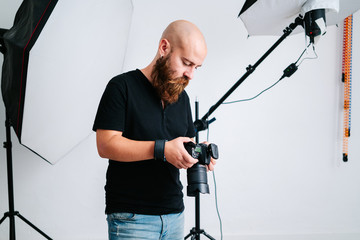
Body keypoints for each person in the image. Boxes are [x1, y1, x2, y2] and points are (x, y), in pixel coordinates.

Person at [92, 19, 215, 240]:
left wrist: (199, 154)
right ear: (164, 48)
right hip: (132, 217)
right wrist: (162, 149)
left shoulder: (182, 98)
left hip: (175, 214)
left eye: (196, 67)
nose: (191, 75)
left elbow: (185, 146)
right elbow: (106, 144)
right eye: (186, 63)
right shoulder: (121, 87)